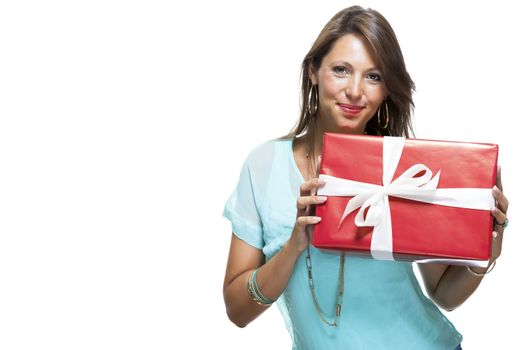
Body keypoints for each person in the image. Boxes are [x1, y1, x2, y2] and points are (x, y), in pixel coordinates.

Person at [222, 5, 509, 350]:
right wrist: (294, 245)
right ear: (314, 71)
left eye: (373, 76)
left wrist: (486, 252)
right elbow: (238, 311)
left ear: (387, 88)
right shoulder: (263, 165)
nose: (355, 91)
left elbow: (444, 293)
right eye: (341, 70)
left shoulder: (402, 171)